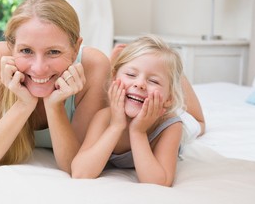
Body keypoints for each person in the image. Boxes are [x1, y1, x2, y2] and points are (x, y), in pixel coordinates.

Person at [0, 0, 110, 173]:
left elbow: (75, 166)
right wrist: (23, 104)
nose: (38, 68)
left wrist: (55, 107)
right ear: (10, 46)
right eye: (26, 51)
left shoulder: (94, 66)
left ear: (76, 47)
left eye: (53, 52)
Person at [71, 35, 205, 186]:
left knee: (198, 124)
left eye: (153, 81)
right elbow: (80, 172)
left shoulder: (171, 126)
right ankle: (158, 75)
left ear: (169, 99)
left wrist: (138, 132)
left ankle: (176, 79)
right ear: (114, 79)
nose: (140, 84)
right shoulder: (104, 118)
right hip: (129, 98)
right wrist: (116, 126)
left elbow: (159, 182)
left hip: (168, 114)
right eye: (130, 74)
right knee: (157, 70)